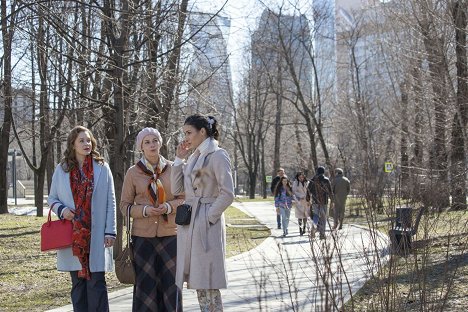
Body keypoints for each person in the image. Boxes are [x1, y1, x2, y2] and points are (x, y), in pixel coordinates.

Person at [47, 125, 116, 312]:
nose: (86, 144)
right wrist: (62, 210)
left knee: (97, 283)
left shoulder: (102, 167)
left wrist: (111, 231)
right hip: (74, 235)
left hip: (97, 234)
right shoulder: (62, 170)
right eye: (82, 141)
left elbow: (111, 201)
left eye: (88, 140)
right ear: (73, 144)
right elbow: (51, 198)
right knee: (78, 285)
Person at [171, 114, 235, 311]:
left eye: (189, 133)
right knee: (200, 284)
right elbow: (176, 190)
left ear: (203, 131)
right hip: (191, 223)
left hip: (207, 224)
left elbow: (228, 193)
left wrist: (209, 217)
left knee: (208, 281)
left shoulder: (218, 155)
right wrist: (178, 160)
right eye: (184, 133)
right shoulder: (193, 157)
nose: (186, 137)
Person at [120, 127, 183, 311]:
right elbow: (125, 206)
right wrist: (145, 210)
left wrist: (169, 207)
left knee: (171, 285)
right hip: (142, 238)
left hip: (170, 235)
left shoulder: (174, 168)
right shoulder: (133, 172)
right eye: (147, 142)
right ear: (141, 147)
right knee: (146, 286)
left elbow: (185, 198)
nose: (152, 145)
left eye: (155, 140)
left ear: (160, 143)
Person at [307, 166, 333, 240]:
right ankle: (322, 234)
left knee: (316, 216)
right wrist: (332, 201)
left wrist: (308, 200)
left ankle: (313, 228)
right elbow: (330, 192)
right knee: (323, 218)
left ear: (317, 172)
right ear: (323, 172)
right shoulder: (326, 180)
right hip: (324, 201)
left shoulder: (312, 180)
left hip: (315, 201)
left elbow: (308, 191)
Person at [292, 172, 309, 236]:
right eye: (300, 177)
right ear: (297, 177)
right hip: (299, 201)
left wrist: (309, 199)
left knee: (305, 215)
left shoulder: (306, 182)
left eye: (302, 177)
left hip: (306, 201)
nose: (301, 178)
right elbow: (294, 192)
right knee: (300, 216)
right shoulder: (295, 183)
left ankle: (304, 228)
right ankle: (300, 229)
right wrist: (299, 197)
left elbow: (309, 191)